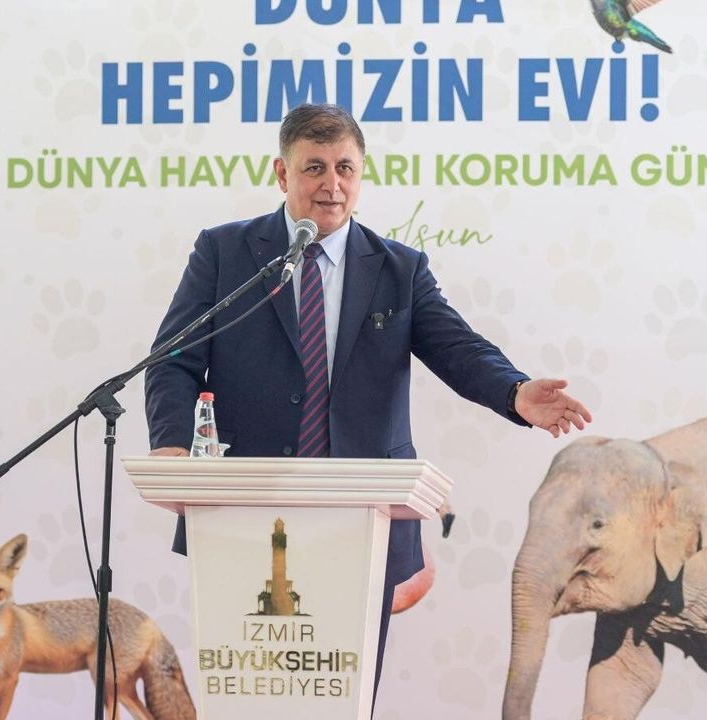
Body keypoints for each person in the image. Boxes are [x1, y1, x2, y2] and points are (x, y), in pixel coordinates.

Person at [143, 103, 592, 705]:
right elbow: (174, 357)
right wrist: (172, 444)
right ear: (281, 173)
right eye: (314, 167)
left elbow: (457, 348)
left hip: (361, 520)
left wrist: (514, 391)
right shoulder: (227, 253)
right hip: (243, 513)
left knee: (341, 698)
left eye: (346, 168)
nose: (332, 184)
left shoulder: (398, 269)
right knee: (252, 699)